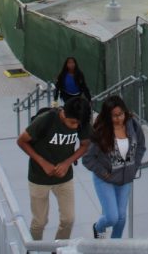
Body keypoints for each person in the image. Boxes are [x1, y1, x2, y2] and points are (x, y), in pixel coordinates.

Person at [17, 96, 91, 241]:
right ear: (64, 114)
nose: (76, 127)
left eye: (79, 123)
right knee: (39, 222)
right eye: (73, 122)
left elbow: (85, 145)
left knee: (68, 220)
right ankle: (34, 250)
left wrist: (67, 162)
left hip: (64, 178)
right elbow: (21, 141)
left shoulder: (81, 121)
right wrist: (42, 162)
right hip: (39, 178)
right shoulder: (46, 120)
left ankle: (59, 248)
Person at [83, 95, 146, 239]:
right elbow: (87, 159)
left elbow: (141, 146)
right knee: (112, 217)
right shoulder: (100, 132)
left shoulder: (133, 125)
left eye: (121, 114)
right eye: (114, 116)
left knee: (122, 217)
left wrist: (134, 166)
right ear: (107, 116)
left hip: (125, 179)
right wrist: (103, 173)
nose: (118, 119)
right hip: (105, 179)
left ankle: (115, 246)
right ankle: (98, 227)